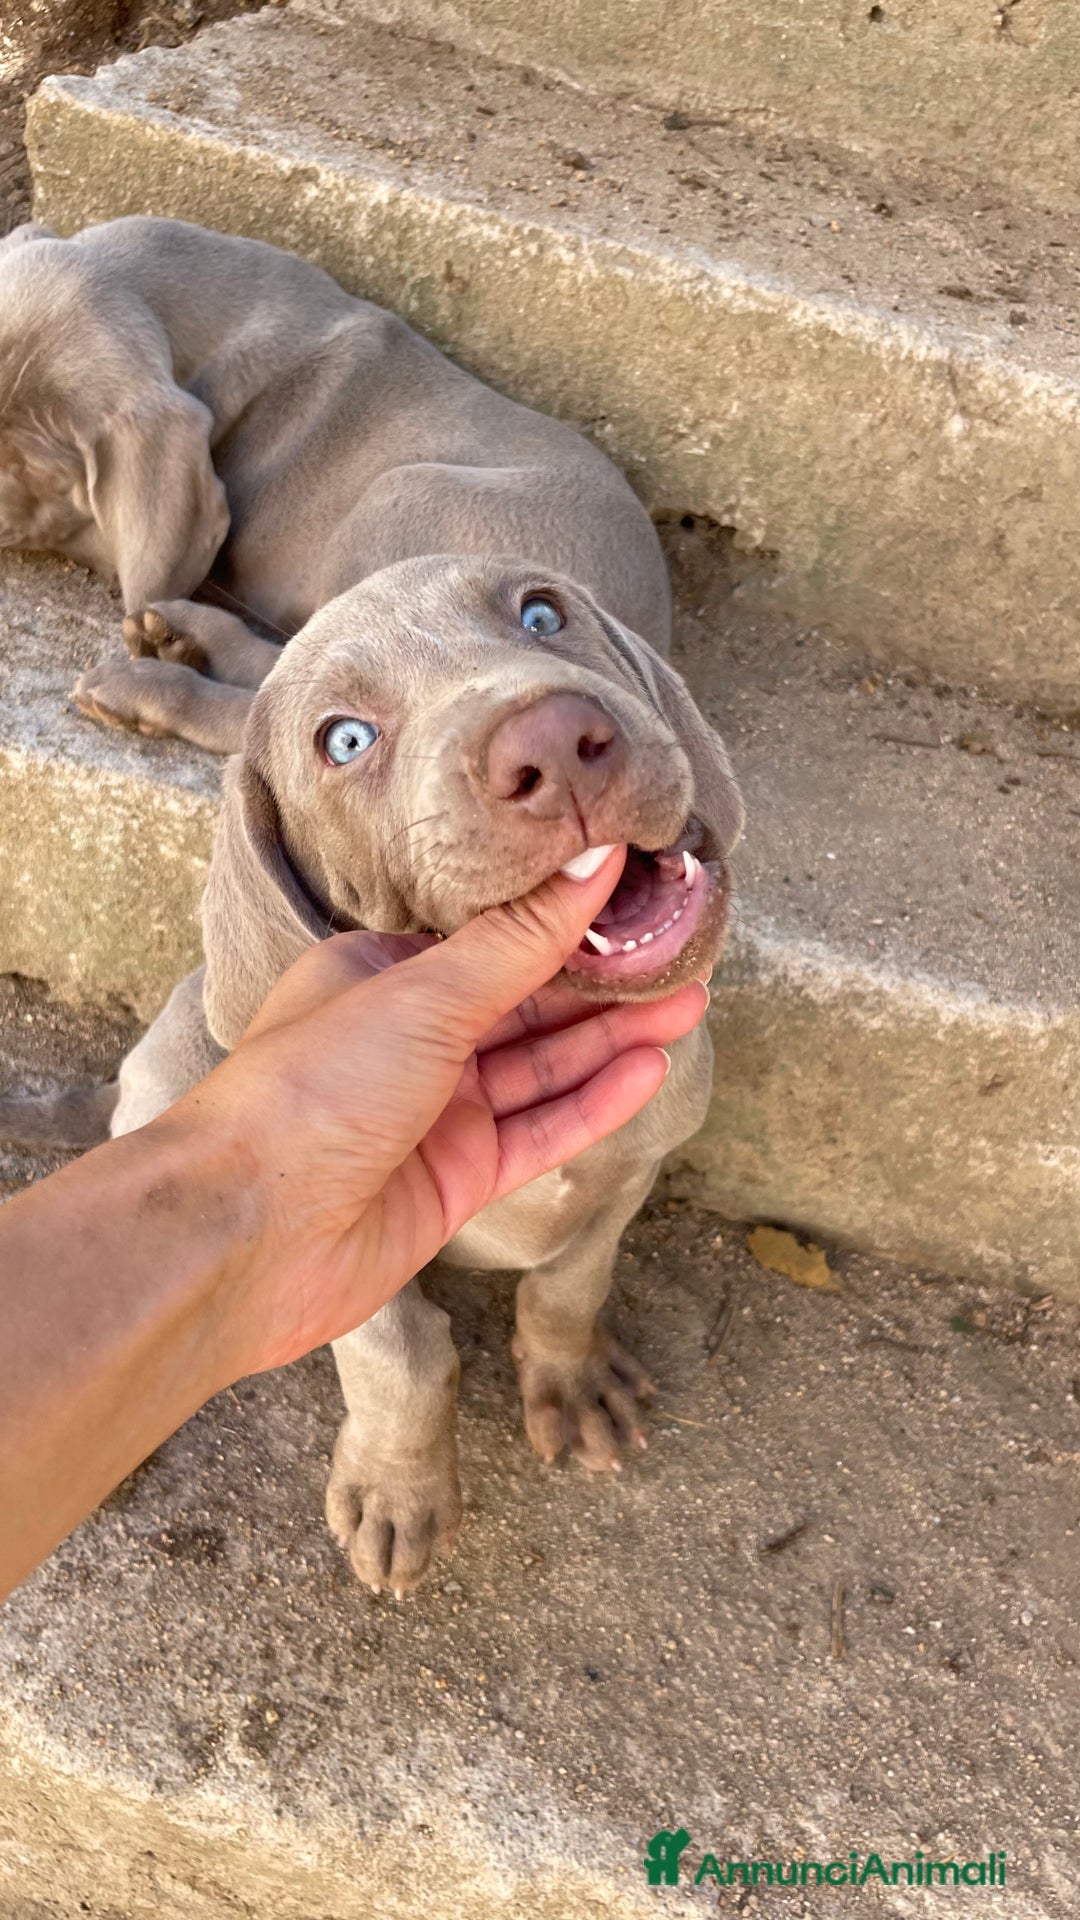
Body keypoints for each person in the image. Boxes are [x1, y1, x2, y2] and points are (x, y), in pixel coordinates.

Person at [0, 848, 709, 1600]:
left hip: (501, 1103)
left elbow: (633, 1162)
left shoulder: (654, 989)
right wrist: (395, 1419)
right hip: (282, 1079)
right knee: (167, 1100)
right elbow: (294, 1186)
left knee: (638, 1121)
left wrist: (561, 1330)